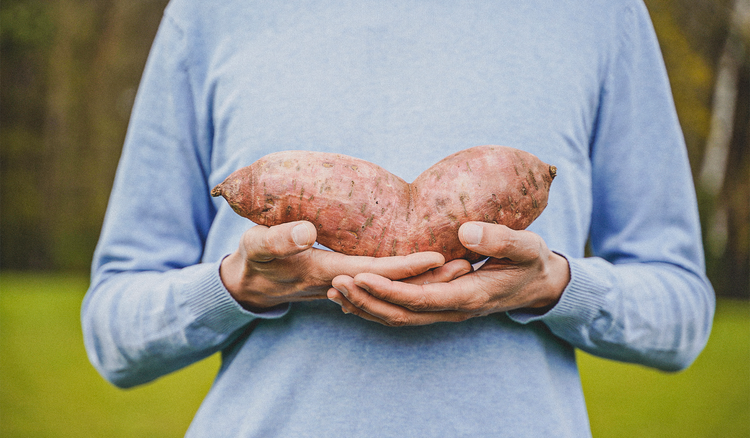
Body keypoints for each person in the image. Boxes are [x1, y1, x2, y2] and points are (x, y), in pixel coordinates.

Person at [81, 0, 715, 436]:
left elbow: (680, 313)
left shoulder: (599, 15)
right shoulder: (213, 13)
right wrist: (235, 286)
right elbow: (114, 334)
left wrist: (554, 286)